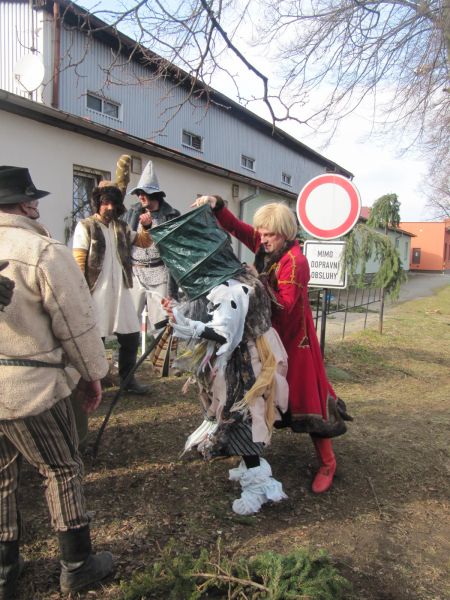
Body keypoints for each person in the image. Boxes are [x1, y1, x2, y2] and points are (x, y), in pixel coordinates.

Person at [0, 166, 113, 598]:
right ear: (27, 204)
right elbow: (76, 324)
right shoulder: (43, 251)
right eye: (34, 199)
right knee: (62, 468)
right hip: (30, 389)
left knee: (1, 477)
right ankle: (77, 565)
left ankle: (5, 570)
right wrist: (93, 374)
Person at [193, 196, 350, 494]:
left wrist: (257, 281)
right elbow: (237, 228)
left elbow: (285, 307)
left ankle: (328, 463)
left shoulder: (296, 262)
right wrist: (217, 206)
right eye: (261, 234)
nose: (262, 239)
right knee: (253, 396)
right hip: (267, 337)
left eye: (269, 235)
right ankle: (247, 455)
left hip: (295, 342)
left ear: (285, 234)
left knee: (308, 401)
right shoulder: (267, 246)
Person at [155, 205, 290, 515]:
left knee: (242, 416)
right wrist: (180, 310)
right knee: (238, 415)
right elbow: (211, 314)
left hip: (245, 361)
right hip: (246, 353)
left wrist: (184, 323)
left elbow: (221, 332)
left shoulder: (232, 288)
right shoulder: (238, 275)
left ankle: (258, 486)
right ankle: (250, 468)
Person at [72, 156, 152, 395]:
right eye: (105, 203)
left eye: (113, 204)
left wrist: (146, 225)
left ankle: (127, 381)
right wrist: (80, 292)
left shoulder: (122, 227)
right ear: (98, 203)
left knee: (131, 336)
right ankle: (91, 383)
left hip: (122, 289)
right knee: (95, 339)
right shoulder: (85, 226)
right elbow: (78, 261)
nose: (109, 207)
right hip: (96, 290)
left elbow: (144, 242)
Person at [125, 160, 180, 331]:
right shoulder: (133, 212)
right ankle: (131, 350)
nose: (140, 197)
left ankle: (161, 349)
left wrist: (173, 290)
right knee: (129, 323)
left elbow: (175, 251)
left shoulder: (171, 216)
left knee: (161, 324)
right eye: (138, 193)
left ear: (155, 195)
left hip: (159, 274)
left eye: (144, 193)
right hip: (135, 273)